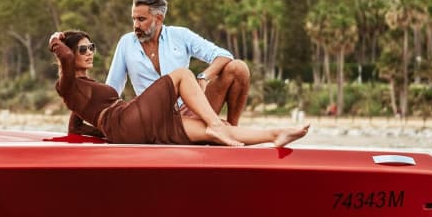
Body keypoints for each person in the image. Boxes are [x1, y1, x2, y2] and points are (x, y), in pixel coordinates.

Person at [50, 30, 308, 147]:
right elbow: (65, 59)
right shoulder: (67, 85)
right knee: (183, 75)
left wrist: (102, 136)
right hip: (126, 122)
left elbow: (76, 127)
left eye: (91, 47)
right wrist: (55, 41)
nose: (90, 52)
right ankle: (217, 125)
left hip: (131, 127)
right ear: (69, 54)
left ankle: (275, 135)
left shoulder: (84, 90)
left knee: (206, 131)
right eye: (83, 49)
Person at [105, 0, 251, 125]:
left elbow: (224, 55)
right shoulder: (126, 43)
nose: (136, 25)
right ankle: (208, 129)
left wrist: (203, 78)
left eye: (141, 19)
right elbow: (112, 88)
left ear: (159, 18)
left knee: (238, 68)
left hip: (192, 108)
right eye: (134, 19)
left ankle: (233, 128)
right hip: (153, 117)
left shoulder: (180, 35)